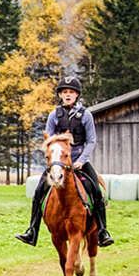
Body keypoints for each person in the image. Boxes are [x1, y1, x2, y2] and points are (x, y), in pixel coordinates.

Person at [15, 76, 114, 248]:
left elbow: (91, 141)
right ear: (60, 95)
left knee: (96, 192)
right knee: (39, 192)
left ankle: (103, 231)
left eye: (71, 92)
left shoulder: (86, 115)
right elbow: (48, 139)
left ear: (77, 95)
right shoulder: (54, 115)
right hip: (58, 163)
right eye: (65, 92)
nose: (68, 95)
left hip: (79, 161)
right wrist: (54, 159)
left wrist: (82, 160)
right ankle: (32, 231)